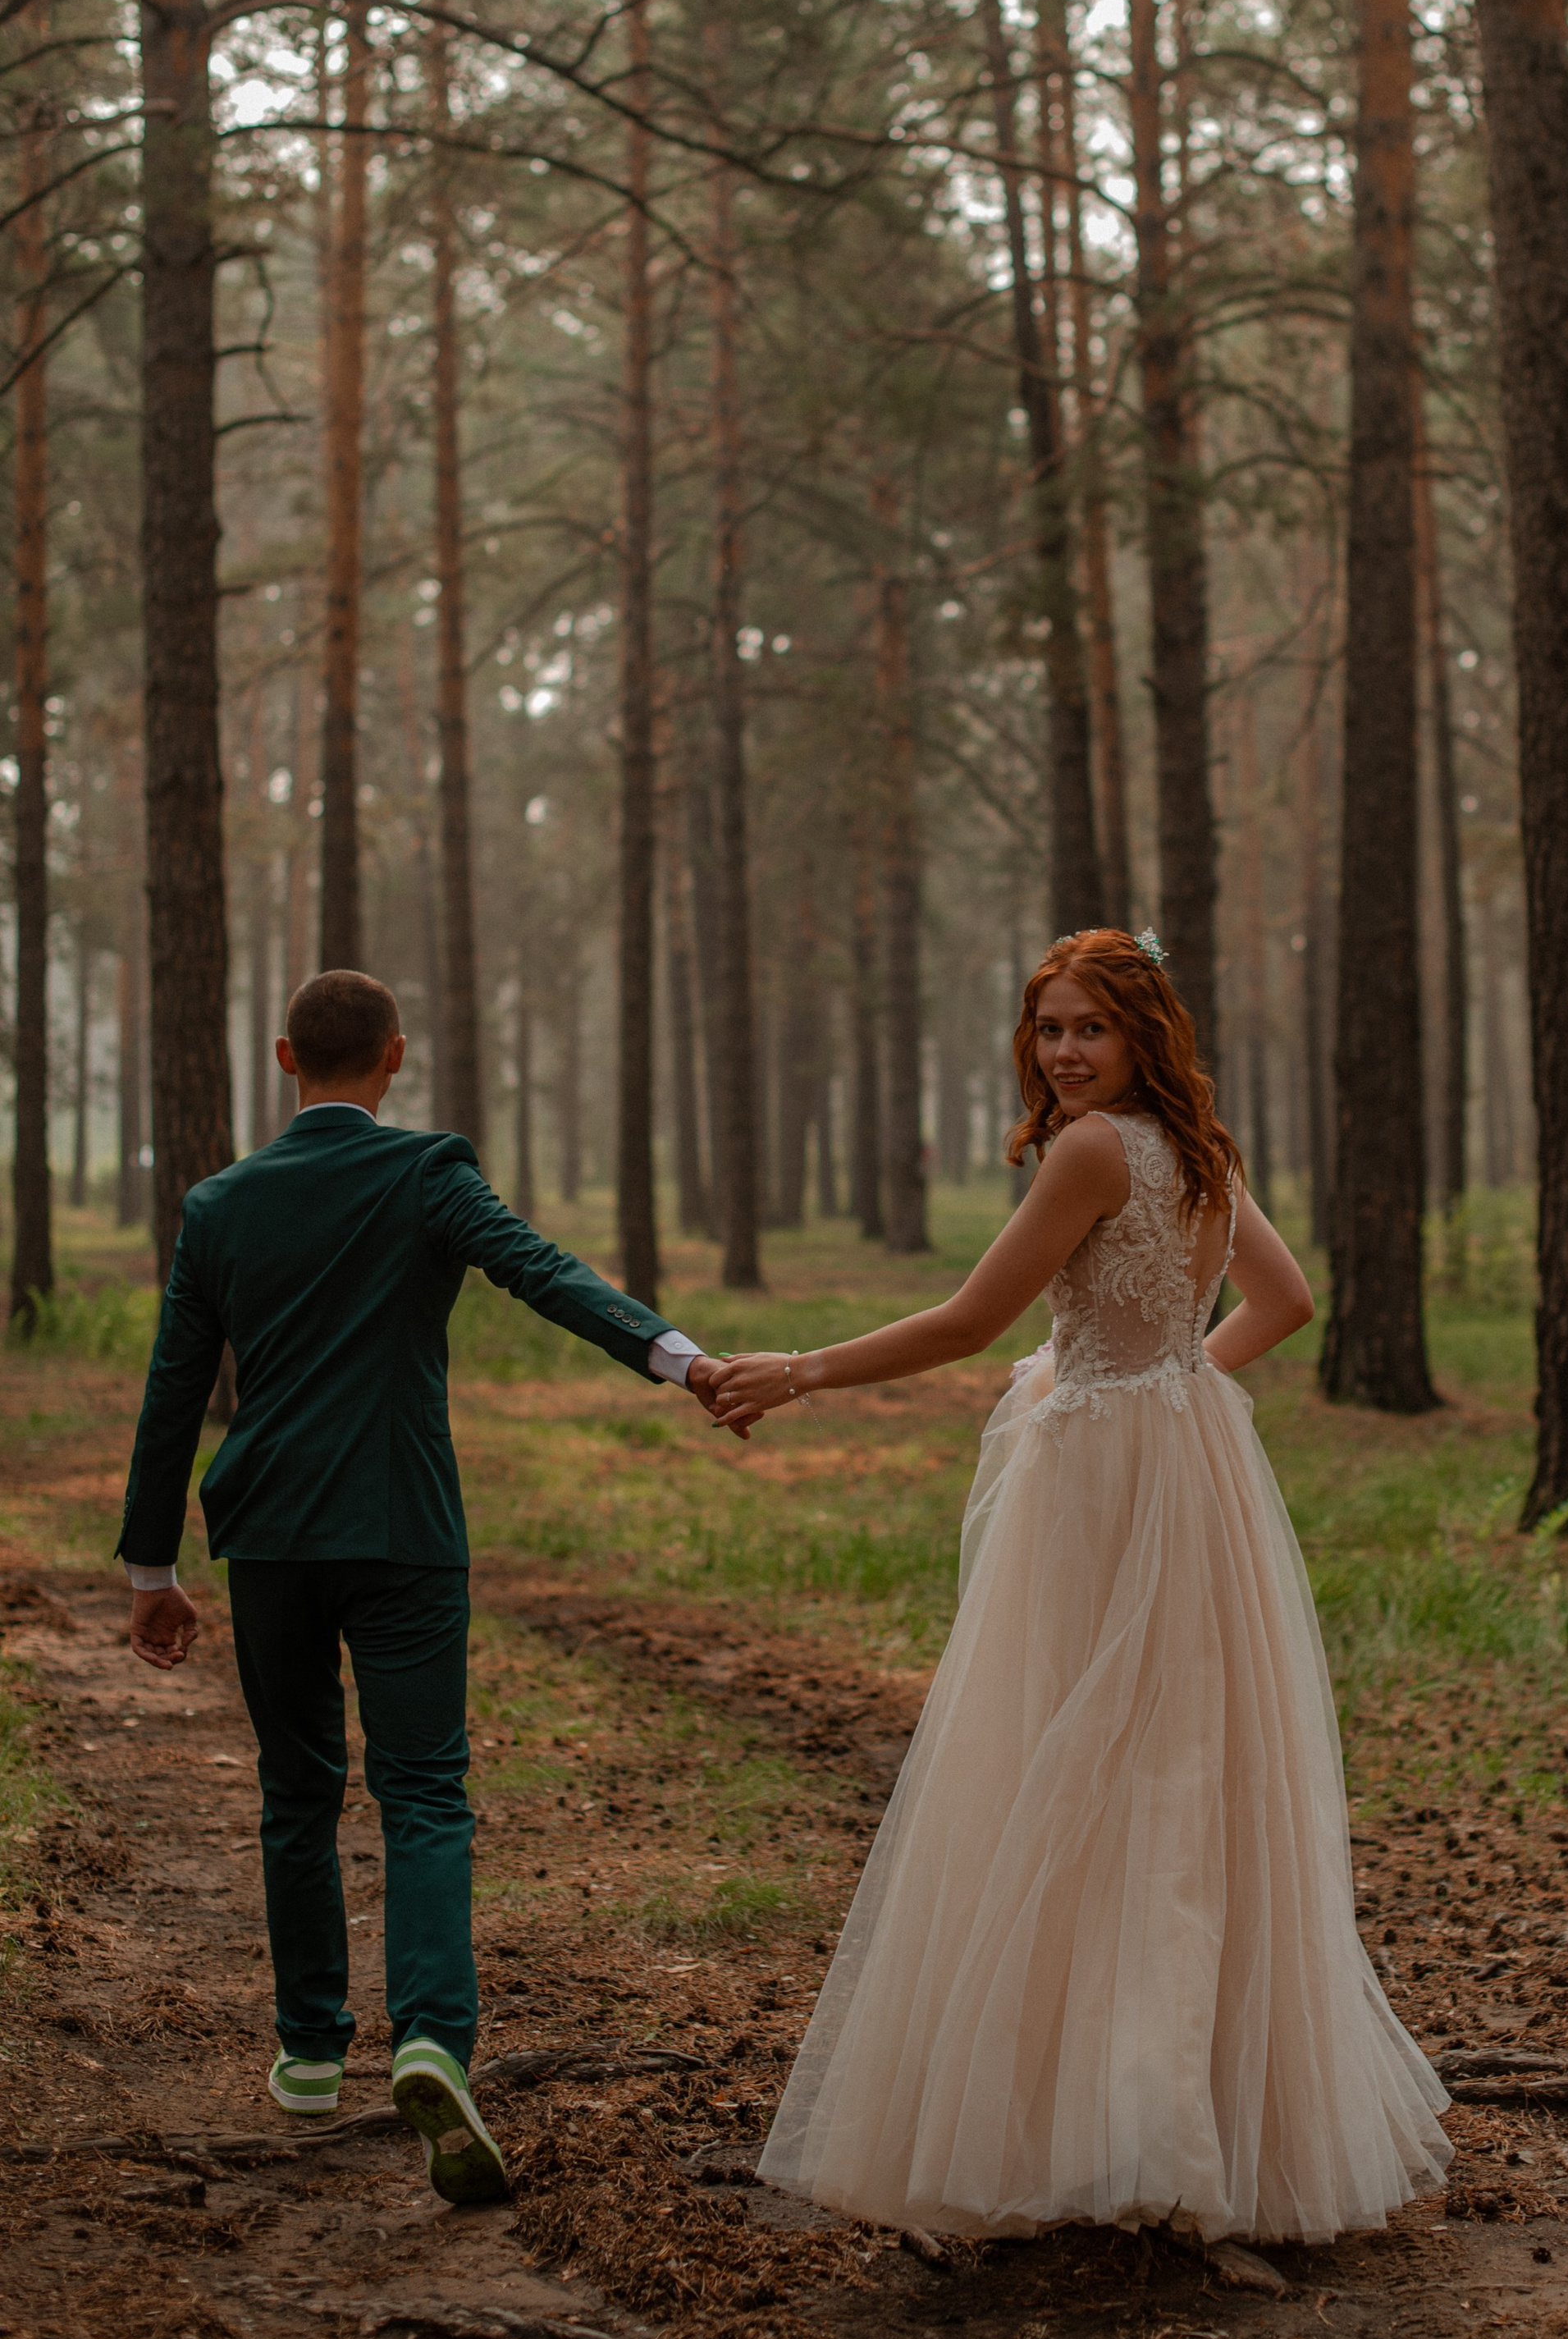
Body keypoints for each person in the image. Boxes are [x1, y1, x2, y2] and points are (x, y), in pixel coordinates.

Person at [713, 927, 1449, 2251]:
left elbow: (969, 1324)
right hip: (1189, 1466)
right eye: (1047, 1028)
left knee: (1082, 1760)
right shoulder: (1199, 1149)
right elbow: (1280, 1303)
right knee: (1178, 1767)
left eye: (1089, 1030)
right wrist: (1174, 1381)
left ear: (1141, 1035)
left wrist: (803, 1370)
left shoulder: (1095, 1150)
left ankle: (1109, 2128)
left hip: (1113, 1484)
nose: (1063, 1052)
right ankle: (1177, 2120)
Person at [117, 968, 726, 2203]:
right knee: (424, 1792)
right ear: (394, 1057)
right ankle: (435, 2040)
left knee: (298, 1789)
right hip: (400, 1526)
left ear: (286, 1060)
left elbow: (175, 1388)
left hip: (273, 1534)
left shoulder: (221, 1206)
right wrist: (678, 1359)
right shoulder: (426, 1174)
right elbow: (538, 1270)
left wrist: (151, 1568)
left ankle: (304, 2052)